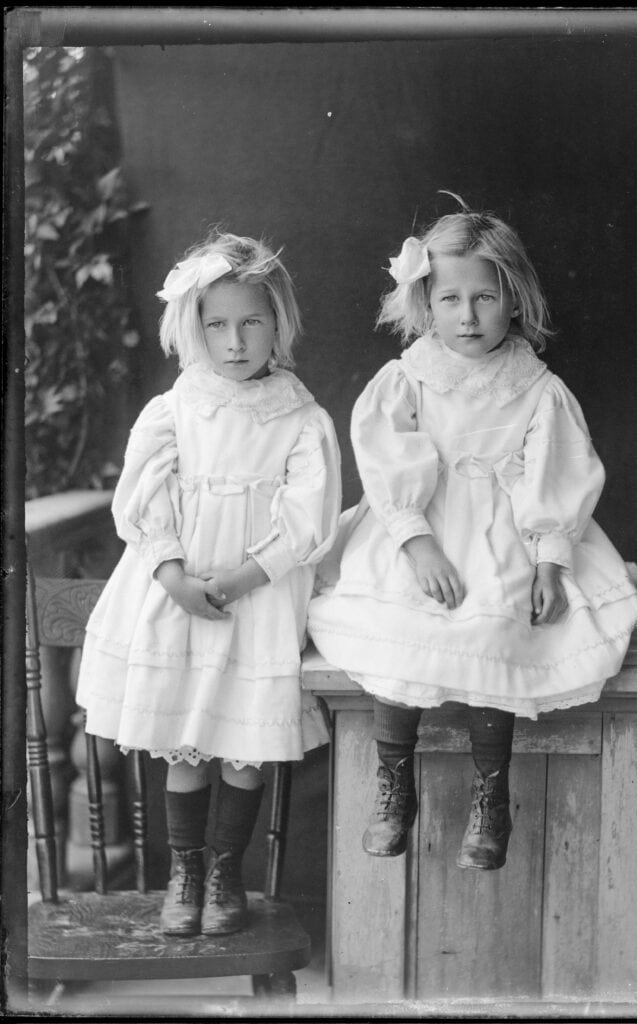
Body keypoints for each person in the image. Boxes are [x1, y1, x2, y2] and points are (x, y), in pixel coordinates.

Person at [308, 195, 637, 872]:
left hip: (505, 529)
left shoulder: (537, 388)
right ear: (425, 302)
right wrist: (413, 537)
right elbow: (385, 459)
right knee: (408, 624)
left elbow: (555, 475)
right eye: (450, 299)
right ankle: (392, 783)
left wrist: (549, 559)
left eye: (484, 298)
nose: (467, 315)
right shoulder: (407, 378)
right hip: (418, 525)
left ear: (513, 300)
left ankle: (492, 796)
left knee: (500, 624)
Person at [76, 230, 341, 936]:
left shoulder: (301, 418)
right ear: (193, 328)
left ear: (276, 323)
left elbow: (306, 522)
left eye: (250, 321)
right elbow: (142, 502)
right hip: (179, 599)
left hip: (254, 599)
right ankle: (185, 877)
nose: (234, 341)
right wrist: (173, 575)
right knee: (186, 747)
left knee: (242, 753)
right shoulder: (174, 410)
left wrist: (242, 578)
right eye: (216, 324)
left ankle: (227, 875)